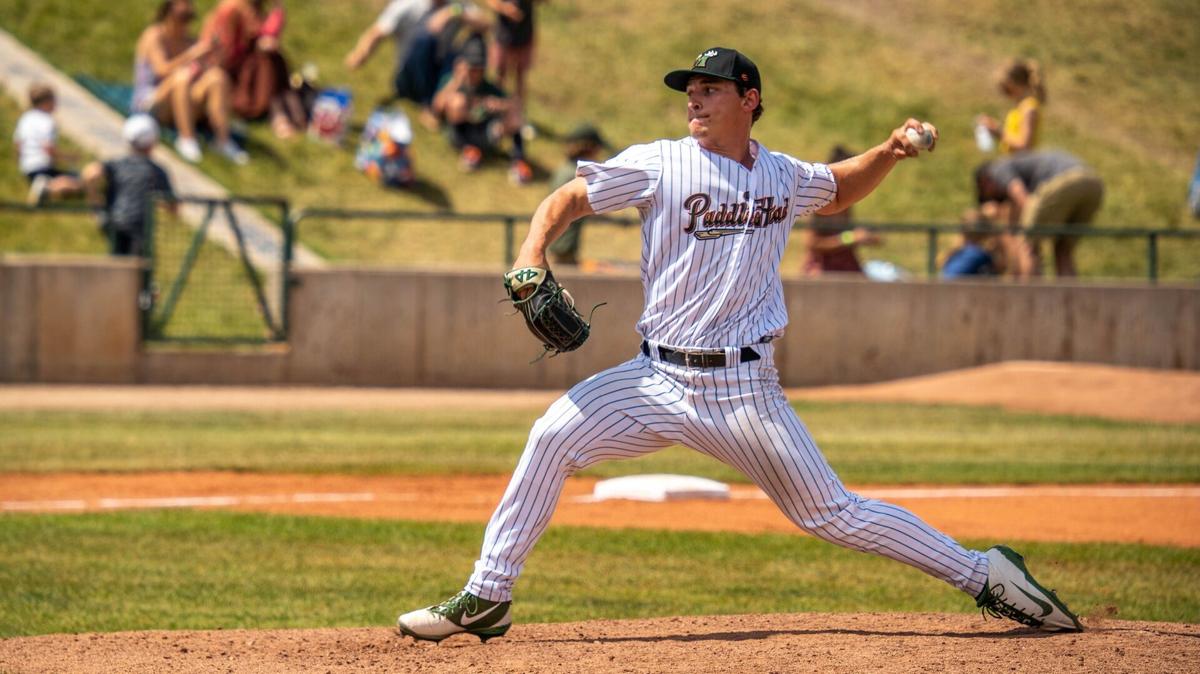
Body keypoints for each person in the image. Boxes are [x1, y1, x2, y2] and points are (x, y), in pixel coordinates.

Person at [396, 47, 1083, 642]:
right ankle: (488, 596)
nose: (694, 99)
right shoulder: (662, 164)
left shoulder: (781, 175)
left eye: (710, 89)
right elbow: (568, 198)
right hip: (653, 379)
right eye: (690, 91)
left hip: (743, 391)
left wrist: (892, 152)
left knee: (831, 514)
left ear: (749, 99)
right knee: (551, 436)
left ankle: (985, 574)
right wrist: (530, 251)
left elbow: (839, 189)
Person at [133, 0, 248, 164]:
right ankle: (186, 138)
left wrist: (213, 57)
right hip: (153, 103)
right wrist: (192, 55)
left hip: (182, 103)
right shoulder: (154, 36)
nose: (183, 25)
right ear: (168, 13)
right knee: (182, 77)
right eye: (181, 17)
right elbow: (162, 70)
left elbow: (203, 75)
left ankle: (222, 140)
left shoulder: (190, 41)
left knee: (217, 77)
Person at [345, 0, 489, 127]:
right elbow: (377, 32)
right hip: (408, 77)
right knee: (426, 39)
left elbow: (486, 24)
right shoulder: (407, 5)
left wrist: (453, 12)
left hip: (438, 71)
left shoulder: (455, 5)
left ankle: (458, 101)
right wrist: (360, 54)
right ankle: (429, 106)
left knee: (467, 45)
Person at [975, 150, 1104, 278]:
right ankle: (1072, 296)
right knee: (1062, 248)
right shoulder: (1021, 165)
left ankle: (1029, 294)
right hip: (1093, 184)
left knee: (1026, 242)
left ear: (985, 182)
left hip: (1066, 180)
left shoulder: (997, 168)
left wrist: (1028, 230)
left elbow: (1022, 197)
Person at [431, 38, 531, 184]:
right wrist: (458, 81)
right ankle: (468, 150)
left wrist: (499, 105)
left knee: (515, 117)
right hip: (460, 132)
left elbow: (516, 105)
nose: (475, 73)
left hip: (486, 131)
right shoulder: (451, 82)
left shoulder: (487, 86)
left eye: (479, 69)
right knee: (457, 102)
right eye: (472, 68)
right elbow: (436, 108)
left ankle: (518, 161)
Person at [202, 0, 306, 138]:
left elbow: (268, 33)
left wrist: (277, 9)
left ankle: (285, 114)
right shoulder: (232, 7)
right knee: (266, 60)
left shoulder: (254, 8)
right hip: (227, 64)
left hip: (246, 64)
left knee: (272, 57)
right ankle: (284, 115)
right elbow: (226, 48)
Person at [81, 115, 177, 257]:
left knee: (117, 266)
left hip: (114, 221)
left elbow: (90, 174)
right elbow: (173, 207)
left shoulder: (117, 165)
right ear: (153, 141)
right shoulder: (156, 171)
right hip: (139, 227)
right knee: (137, 271)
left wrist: (96, 204)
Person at [800, 145, 881, 276]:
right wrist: (850, 238)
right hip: (822, 271)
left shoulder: (847, 202)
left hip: (847, 269)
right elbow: (812, 243)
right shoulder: (822, 199)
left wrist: (866, 237)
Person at [13, 83, 85, 206]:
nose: (56, 104)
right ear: (46, 101)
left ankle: (44, 187)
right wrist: (68, 157)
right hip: (42, 167)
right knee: (79, 182)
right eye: (54, 100)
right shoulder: (47, 121)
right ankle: (48, 188)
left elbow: (18, 144)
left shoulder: (25, 118)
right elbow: (48, 149)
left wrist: (21, 163)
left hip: (27, 168)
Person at [546, 123, 608, 265]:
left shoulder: (563, 170)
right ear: (588, 147)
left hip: (558, 244)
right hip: (563, 247)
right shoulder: (574, 175)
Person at [976, 59, 1045, 155]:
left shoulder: (1029, 109)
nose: (1005, 94)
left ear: (1018, 84)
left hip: (1024, 165)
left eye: (1006, 89)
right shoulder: (1020, 107)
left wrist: (999, 132)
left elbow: (1025, 146)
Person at [485, 0, 538, 116]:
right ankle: (496, 113)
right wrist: (505, 8)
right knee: (500, 76)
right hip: (504, 34)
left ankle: (519, 115)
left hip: (524, 34)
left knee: (520, 78)